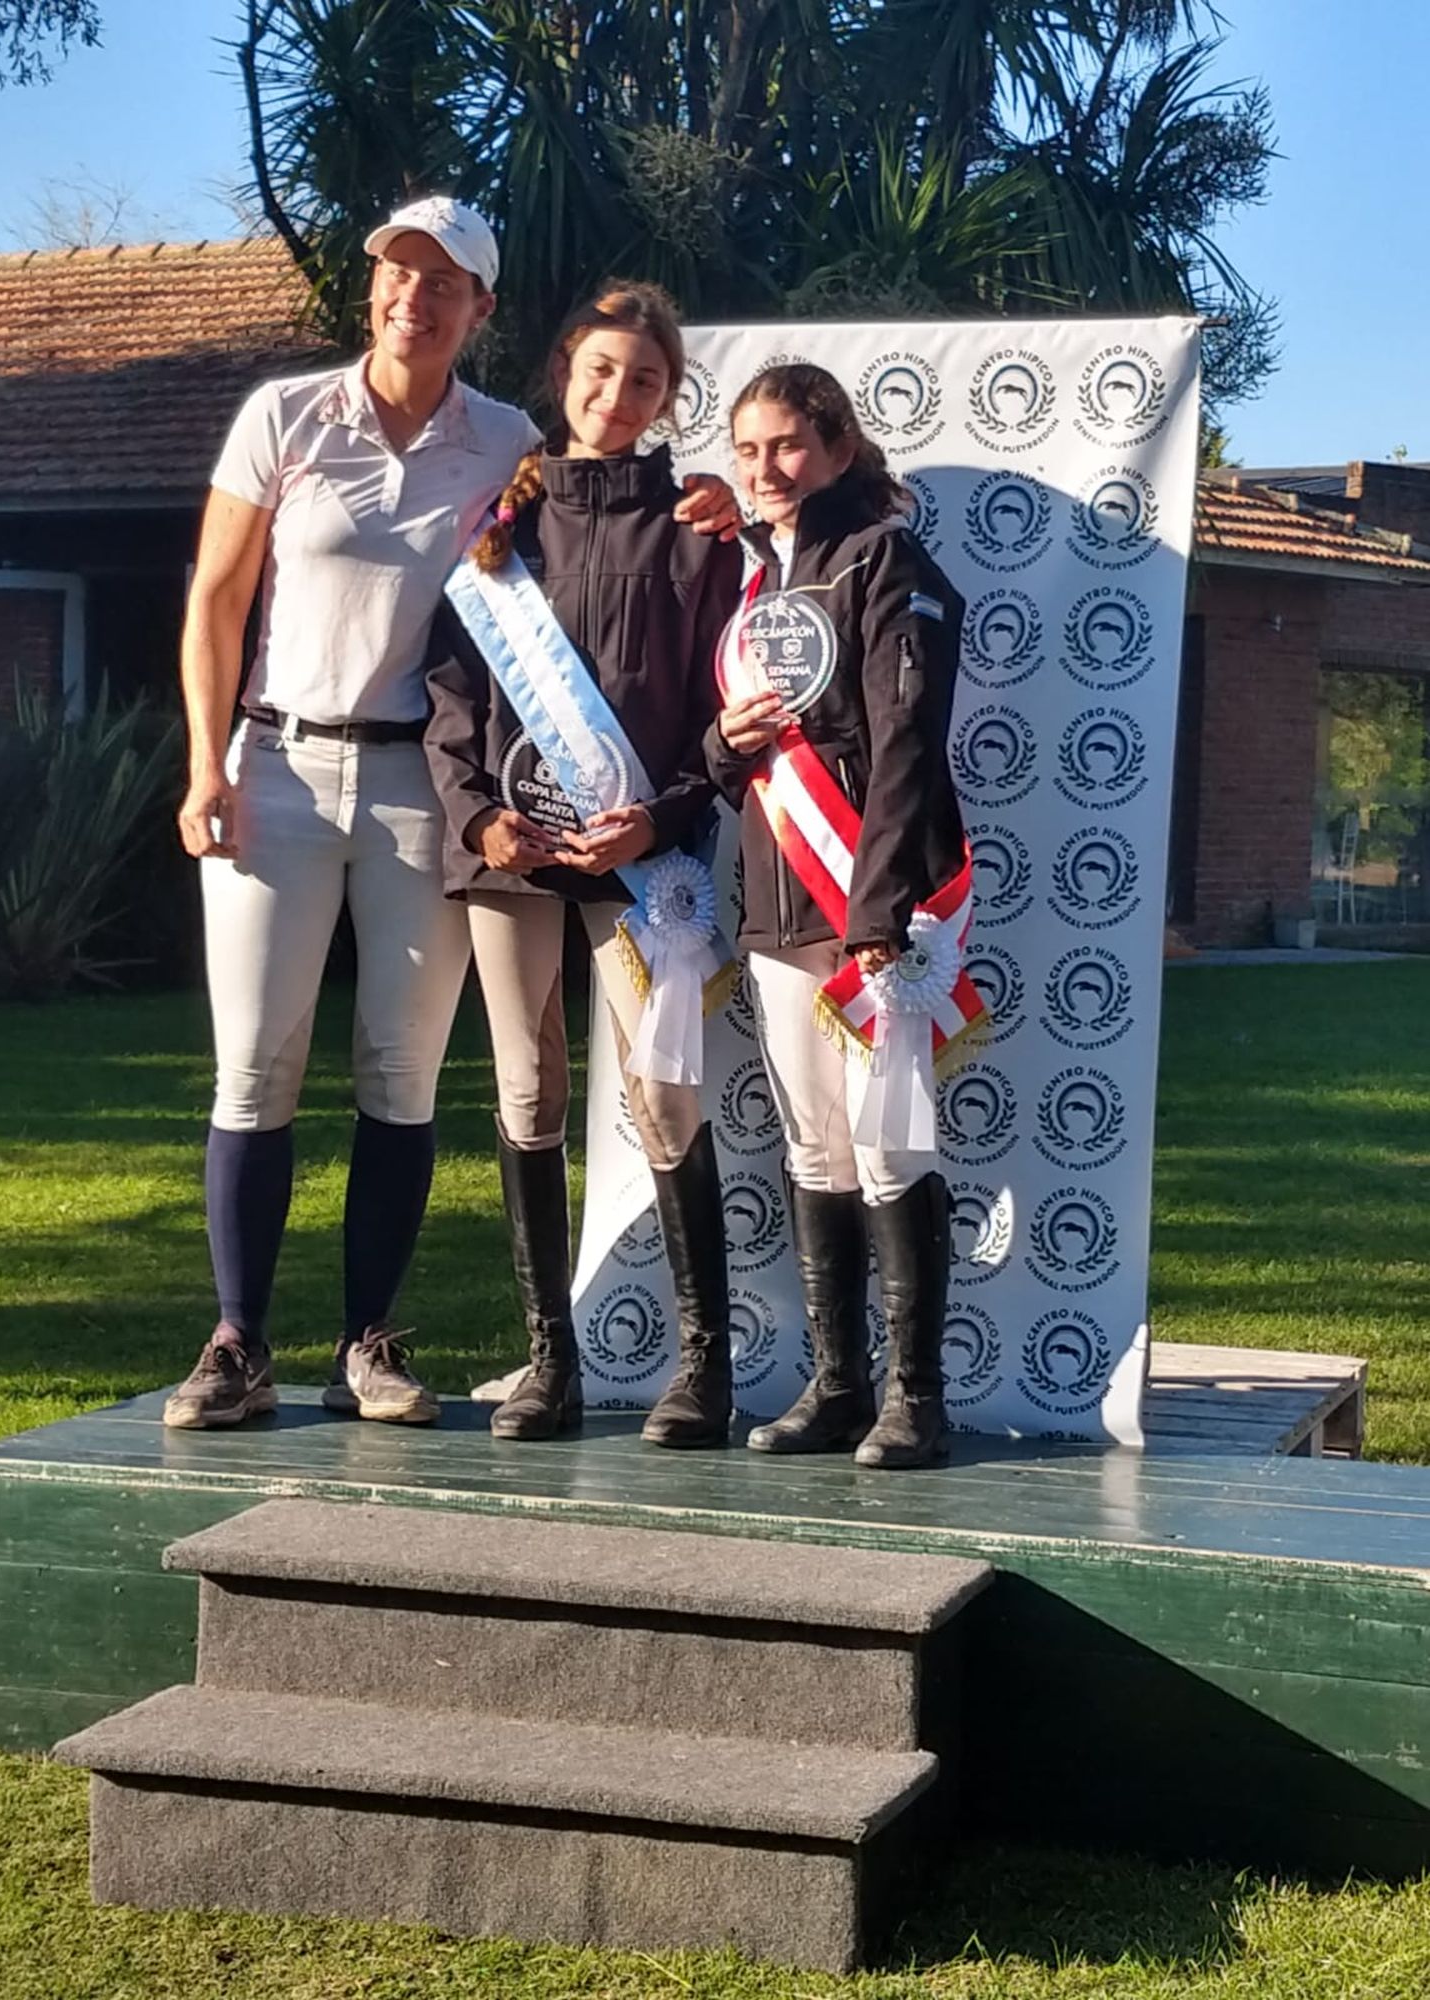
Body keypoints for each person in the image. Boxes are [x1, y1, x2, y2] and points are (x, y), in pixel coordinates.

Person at [164, 199, 733, 1432]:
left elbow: (586, 571)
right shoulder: (283, 415)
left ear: (480, 307)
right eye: (395, 273)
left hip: (425, 790)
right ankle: (237, 1341)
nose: (411, 296)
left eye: (442, 282)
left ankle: (369, 1340)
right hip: (274, 765)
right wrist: (205, 764)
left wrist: (720, 506)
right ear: (371, 287)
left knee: (399, 1070)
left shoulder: (511, 446)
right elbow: (216, 597)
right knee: (255, 1065)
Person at [425, 282, 742, 1449]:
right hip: (514, 859)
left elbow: (730, 707)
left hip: (639, 864)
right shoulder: (497, 531)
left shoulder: (701, 531)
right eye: (600, 371)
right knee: (529, 1092)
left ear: (670, 399)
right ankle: (548, 1366)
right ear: (564, 371)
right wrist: (477, 822)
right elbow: (452, 696)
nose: (618, 396)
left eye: (645, 380)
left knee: (664, 1099)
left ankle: (701, 1368)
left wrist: (661, 818)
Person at [707, 363, 969, 1470]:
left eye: (788, 447)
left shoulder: (887, 560)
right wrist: (726, 742)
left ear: (840, 446)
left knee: (887, 1139)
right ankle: (836, 1385)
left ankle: (918, 1396)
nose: (766, 470)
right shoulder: (757, 582)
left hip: (876, 905)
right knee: (815, 1141)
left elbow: (905, 745)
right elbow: (730, 752)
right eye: (749, 449)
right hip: (776, 903)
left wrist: (878, 908)